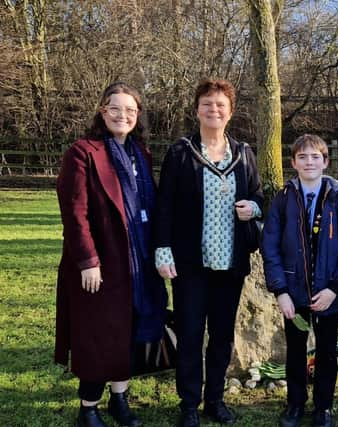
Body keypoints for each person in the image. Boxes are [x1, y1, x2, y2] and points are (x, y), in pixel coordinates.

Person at [56, 82, 168, 427]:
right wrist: (88, 261)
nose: (123, 116)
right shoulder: (83, 152)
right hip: (102, 264)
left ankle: (120, 400)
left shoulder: (141, 153)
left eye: (130, 110)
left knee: (131, 331)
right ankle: (88, 407)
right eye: (115, 108)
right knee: (99, 335)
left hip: (139, 263)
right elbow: (75, 212)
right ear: (102, 111)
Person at [154, 78, 263, 427]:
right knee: (189, 335)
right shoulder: (181, 152)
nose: (213, 110)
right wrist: (162, 249)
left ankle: (214, 400)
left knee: (221, 336)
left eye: (220, 105)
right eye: (207, 104)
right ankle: (189, 404)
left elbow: (259, 196)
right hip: (190, 264)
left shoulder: (244, 153)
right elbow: (165, 206)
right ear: (197, 109)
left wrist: (254, 208)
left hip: (230, 265)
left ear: (230, 112)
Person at [261, 134, 338, 427]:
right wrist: (280, 290)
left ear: (325, 162)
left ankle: (323, 407)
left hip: (328, 293)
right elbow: (271, 246)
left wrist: (335, 288)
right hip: (293, 293)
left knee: (327, 352)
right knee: (295, 350)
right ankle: (294, 404)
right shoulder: (283, 199)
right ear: (293, 163)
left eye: (315, 157)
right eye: (302, 157)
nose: (309, 162)